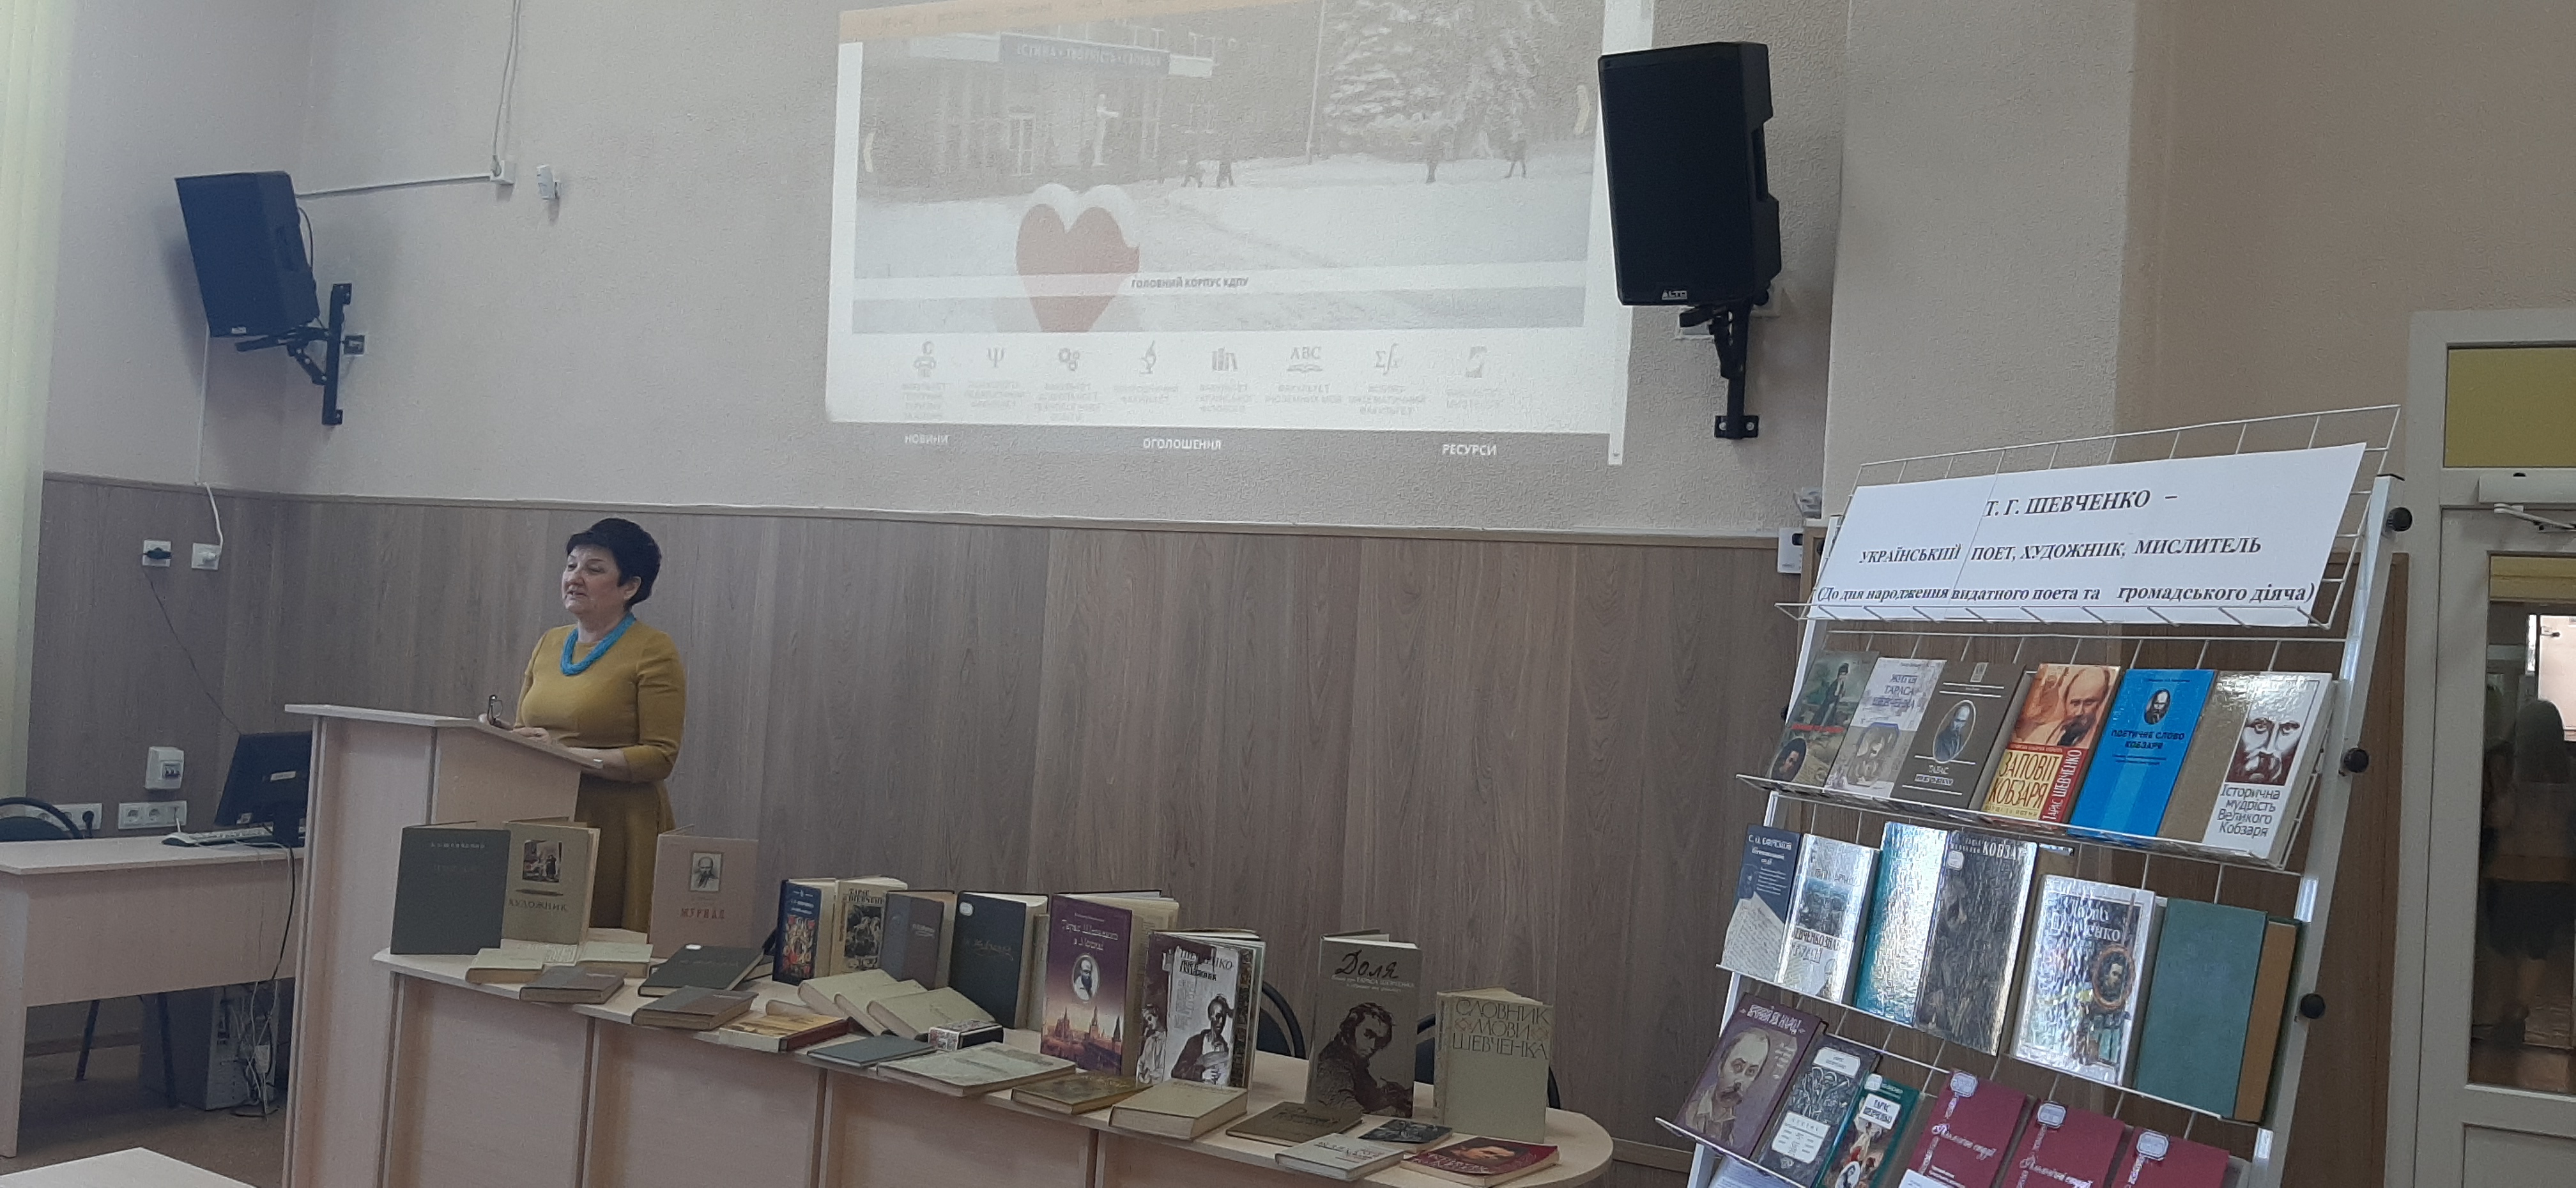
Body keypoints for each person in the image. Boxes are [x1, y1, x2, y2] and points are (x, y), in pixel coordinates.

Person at [500, 518, 687, 931]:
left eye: (594, 569)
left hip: (618, 825)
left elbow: (660, 757)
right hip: (545, 813)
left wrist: (566, 755)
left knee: (604, 945)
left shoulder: (654, 650)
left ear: (630, 586)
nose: (575, 578)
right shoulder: (550, 642)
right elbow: (526, 731)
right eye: (571, 566)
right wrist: (499, 737)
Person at [1310, 1001, 1409, 1114]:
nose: (1373, 1046)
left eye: (1379, 1041)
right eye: (1368, 1035)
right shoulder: (1333, 1064)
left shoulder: (1356, 1062)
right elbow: (1348, 1109)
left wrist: (1389, 1096)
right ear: (1350, 1029)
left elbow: (1366, 1099)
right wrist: (1393, 1112)